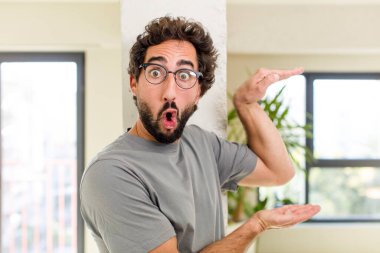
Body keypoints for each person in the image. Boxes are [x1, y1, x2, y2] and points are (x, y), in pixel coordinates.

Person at [80, 16, 320, 253]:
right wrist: (256, 225)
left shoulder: (201, 144)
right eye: (155, 72)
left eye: (184, 75)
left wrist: (246, 104)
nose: (170, 92)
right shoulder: (111, 173)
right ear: (134, 83)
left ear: (198, 92)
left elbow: (278, 171)